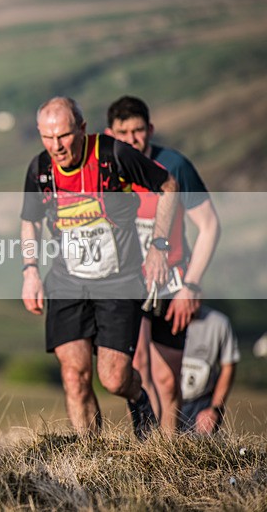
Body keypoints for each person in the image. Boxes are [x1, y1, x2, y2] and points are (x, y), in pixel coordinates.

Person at [20, 96, 178, 439]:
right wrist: (30, 271)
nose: (56, 146)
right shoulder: (40, 169)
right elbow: (30, 221)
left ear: (82, 128)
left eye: (64, 136)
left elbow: (169, 186)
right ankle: (89, 455)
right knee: (74, 376)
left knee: (114, 378)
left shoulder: (114, 155)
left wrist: (159, 246)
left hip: (119, 281)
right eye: (48, 137)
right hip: (66, 282)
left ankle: (138, 398)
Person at [106, 96, 221, 434]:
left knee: (167, 376)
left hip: (171, 282)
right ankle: (147, 443)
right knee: (137, 364)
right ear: (110, 134)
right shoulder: (106, 169)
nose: (131, 139)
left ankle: (170, 446)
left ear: (151, 129)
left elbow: (210, 226)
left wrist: (192, 285)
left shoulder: (175, 166)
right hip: (126, 281)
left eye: (138, 130)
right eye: (123, 133)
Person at [180, 306, 239, 434]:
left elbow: (228, 366)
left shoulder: (219, 323)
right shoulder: (158, 320)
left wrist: (215, 409)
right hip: (163, 401)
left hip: (200, 403)